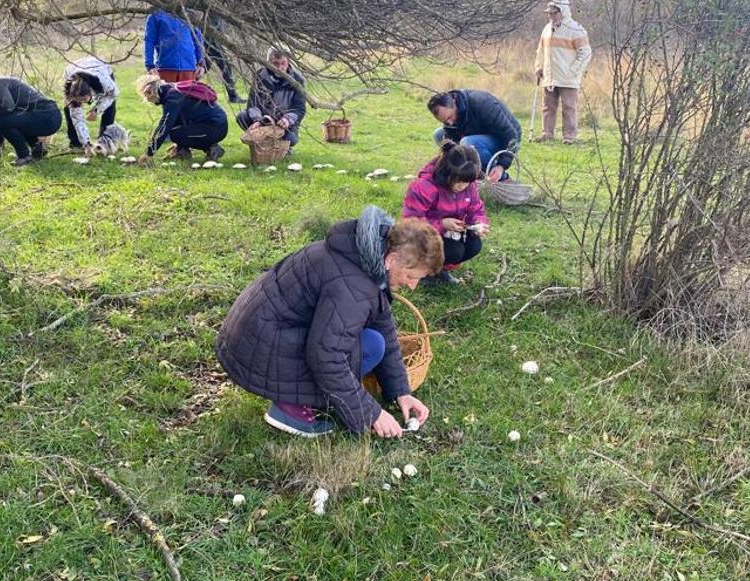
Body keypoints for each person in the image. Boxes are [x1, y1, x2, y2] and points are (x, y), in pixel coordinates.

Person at [216, 206, 443, 438]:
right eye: (411, 276)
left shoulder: (365, 255)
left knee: (374, 340)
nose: (412, 285)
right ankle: (290, 408)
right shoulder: (353, 286)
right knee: (369, 346)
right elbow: (326, 356)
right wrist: (371, 413)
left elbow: (383, 326)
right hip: (261, 344)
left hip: (256, 330)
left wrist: (401, 392)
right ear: (392, 259)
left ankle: (303, 395)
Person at [402, 141, 490, 285]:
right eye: (458, 181)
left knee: (474, 245)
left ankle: (440, 270)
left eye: (467, 182)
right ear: (446, 172)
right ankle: (423, 271)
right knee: (455, 250)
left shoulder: (468, 185)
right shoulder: (423, 187)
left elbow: (476, 208)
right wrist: (442, 224)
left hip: (451, 233)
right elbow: (411, 224)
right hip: (421, 238)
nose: (462, 187)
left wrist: (479, 222)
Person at [0, 72, 62, 167]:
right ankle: (37, 147)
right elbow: (3, 115)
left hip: (47, 115)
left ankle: (24, 156)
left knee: (3, 121)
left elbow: (7, 107)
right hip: (45, 116)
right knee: (6, 120)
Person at [427, 88, 521, 183]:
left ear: (454, 102)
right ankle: (467, 173)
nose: (450, 123)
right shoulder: (451, 116)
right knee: (439, 135)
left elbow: (511, 135)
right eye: (445, 121)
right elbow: (450, 138)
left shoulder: (482, 103)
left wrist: (501, 166)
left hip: (504, 137)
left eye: (450, 117)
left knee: (468, 142)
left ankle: (502, 179)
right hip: (475, 134)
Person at [534, 0, 592, 144]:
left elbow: (586, 53)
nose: (551, 16)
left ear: (563, 12)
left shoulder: (575, 29)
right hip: (549, 76)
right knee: (547, 106)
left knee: (568, 107)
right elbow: (540, 51)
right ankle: (547, 133)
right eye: (549, 14)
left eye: (554, 13)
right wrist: (538, 67)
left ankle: (569, 136)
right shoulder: (547, 29)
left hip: (568, 78)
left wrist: (573, 71)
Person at [134, 73, 228, 164]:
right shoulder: (172, 91)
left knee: (175, 134)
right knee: (176, 132)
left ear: (150, 92)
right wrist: (179, 145)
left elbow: (165, 125)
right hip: (213, 124)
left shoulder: (173, 97)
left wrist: (149, 153)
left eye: (146, 97)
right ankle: (182, 152)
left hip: (215, 128)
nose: (149, 101)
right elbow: (177, 121)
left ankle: (212, 148)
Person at [235, 46, 307, 151]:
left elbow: (299, 108)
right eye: (276, 64)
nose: (280, 67)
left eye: (283, 63)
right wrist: (257, 120)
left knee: (291, 139)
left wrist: (287, 119)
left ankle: (282, 146)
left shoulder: (297, 80)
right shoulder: (260, 76)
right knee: (242, 117)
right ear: (269, 62)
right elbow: (252, 103)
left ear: (289, 62)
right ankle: (260, 141)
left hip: (282, 122)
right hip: (262, 119)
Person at [62, 57, 128, 157]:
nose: (82, 103)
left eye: (84, 100)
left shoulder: (104, 81)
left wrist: (96, 110)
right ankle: (76, 143)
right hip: (74, 68)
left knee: (109, 108)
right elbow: (77, 119)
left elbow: (113, 95)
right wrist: (86, 143)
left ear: (90, 92)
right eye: (79, 100)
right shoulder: (71, 87)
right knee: (70, 109)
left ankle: (105, 143)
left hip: (100, 68)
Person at [144, 0, 205, 83]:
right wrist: (150, 65)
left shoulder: (190, 15)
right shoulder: (156, 15)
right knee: (167, 96)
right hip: (165, 68)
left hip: (188, 68)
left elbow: (198, 40)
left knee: (188, 97)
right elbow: (149, 41)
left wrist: (201, 64)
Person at [189, 8, 243, 103]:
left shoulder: (215, 5)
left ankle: (188, 89)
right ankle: (233, 95)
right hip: (210, 39)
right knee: (225, 65)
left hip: (211, 38)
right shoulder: (207, 4)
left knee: (204, 67)